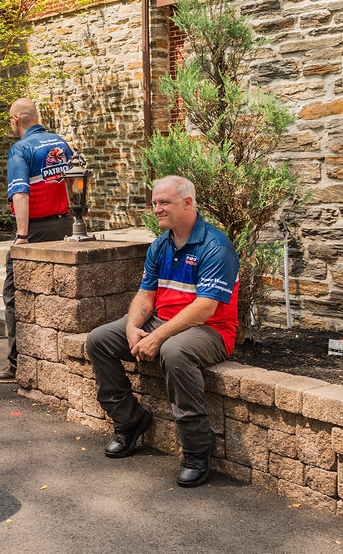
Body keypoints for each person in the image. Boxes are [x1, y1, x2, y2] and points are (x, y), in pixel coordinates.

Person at [86, 175, 239, 488]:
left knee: (173, 351)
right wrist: (133, 327)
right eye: (154, 202)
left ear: (188, 203)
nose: (156, 208)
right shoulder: (161, 245)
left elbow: (205, 309)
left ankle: (197, 449)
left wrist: (157, 336)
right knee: (99, 340)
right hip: (164, 322)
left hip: (211, 330)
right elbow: (146, 295)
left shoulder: (216, 246)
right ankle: (130, 421)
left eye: (164, 202)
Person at [0, 98, 74, 383]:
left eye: (9, 120)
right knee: (59, 291)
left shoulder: (20, 149)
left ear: (15, 119)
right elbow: (74, 182)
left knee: (13, 295)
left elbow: (20, 193)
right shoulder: (60, 142)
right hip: (64, 224)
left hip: (35, 230)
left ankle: (16, 365)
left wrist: (22, 237)